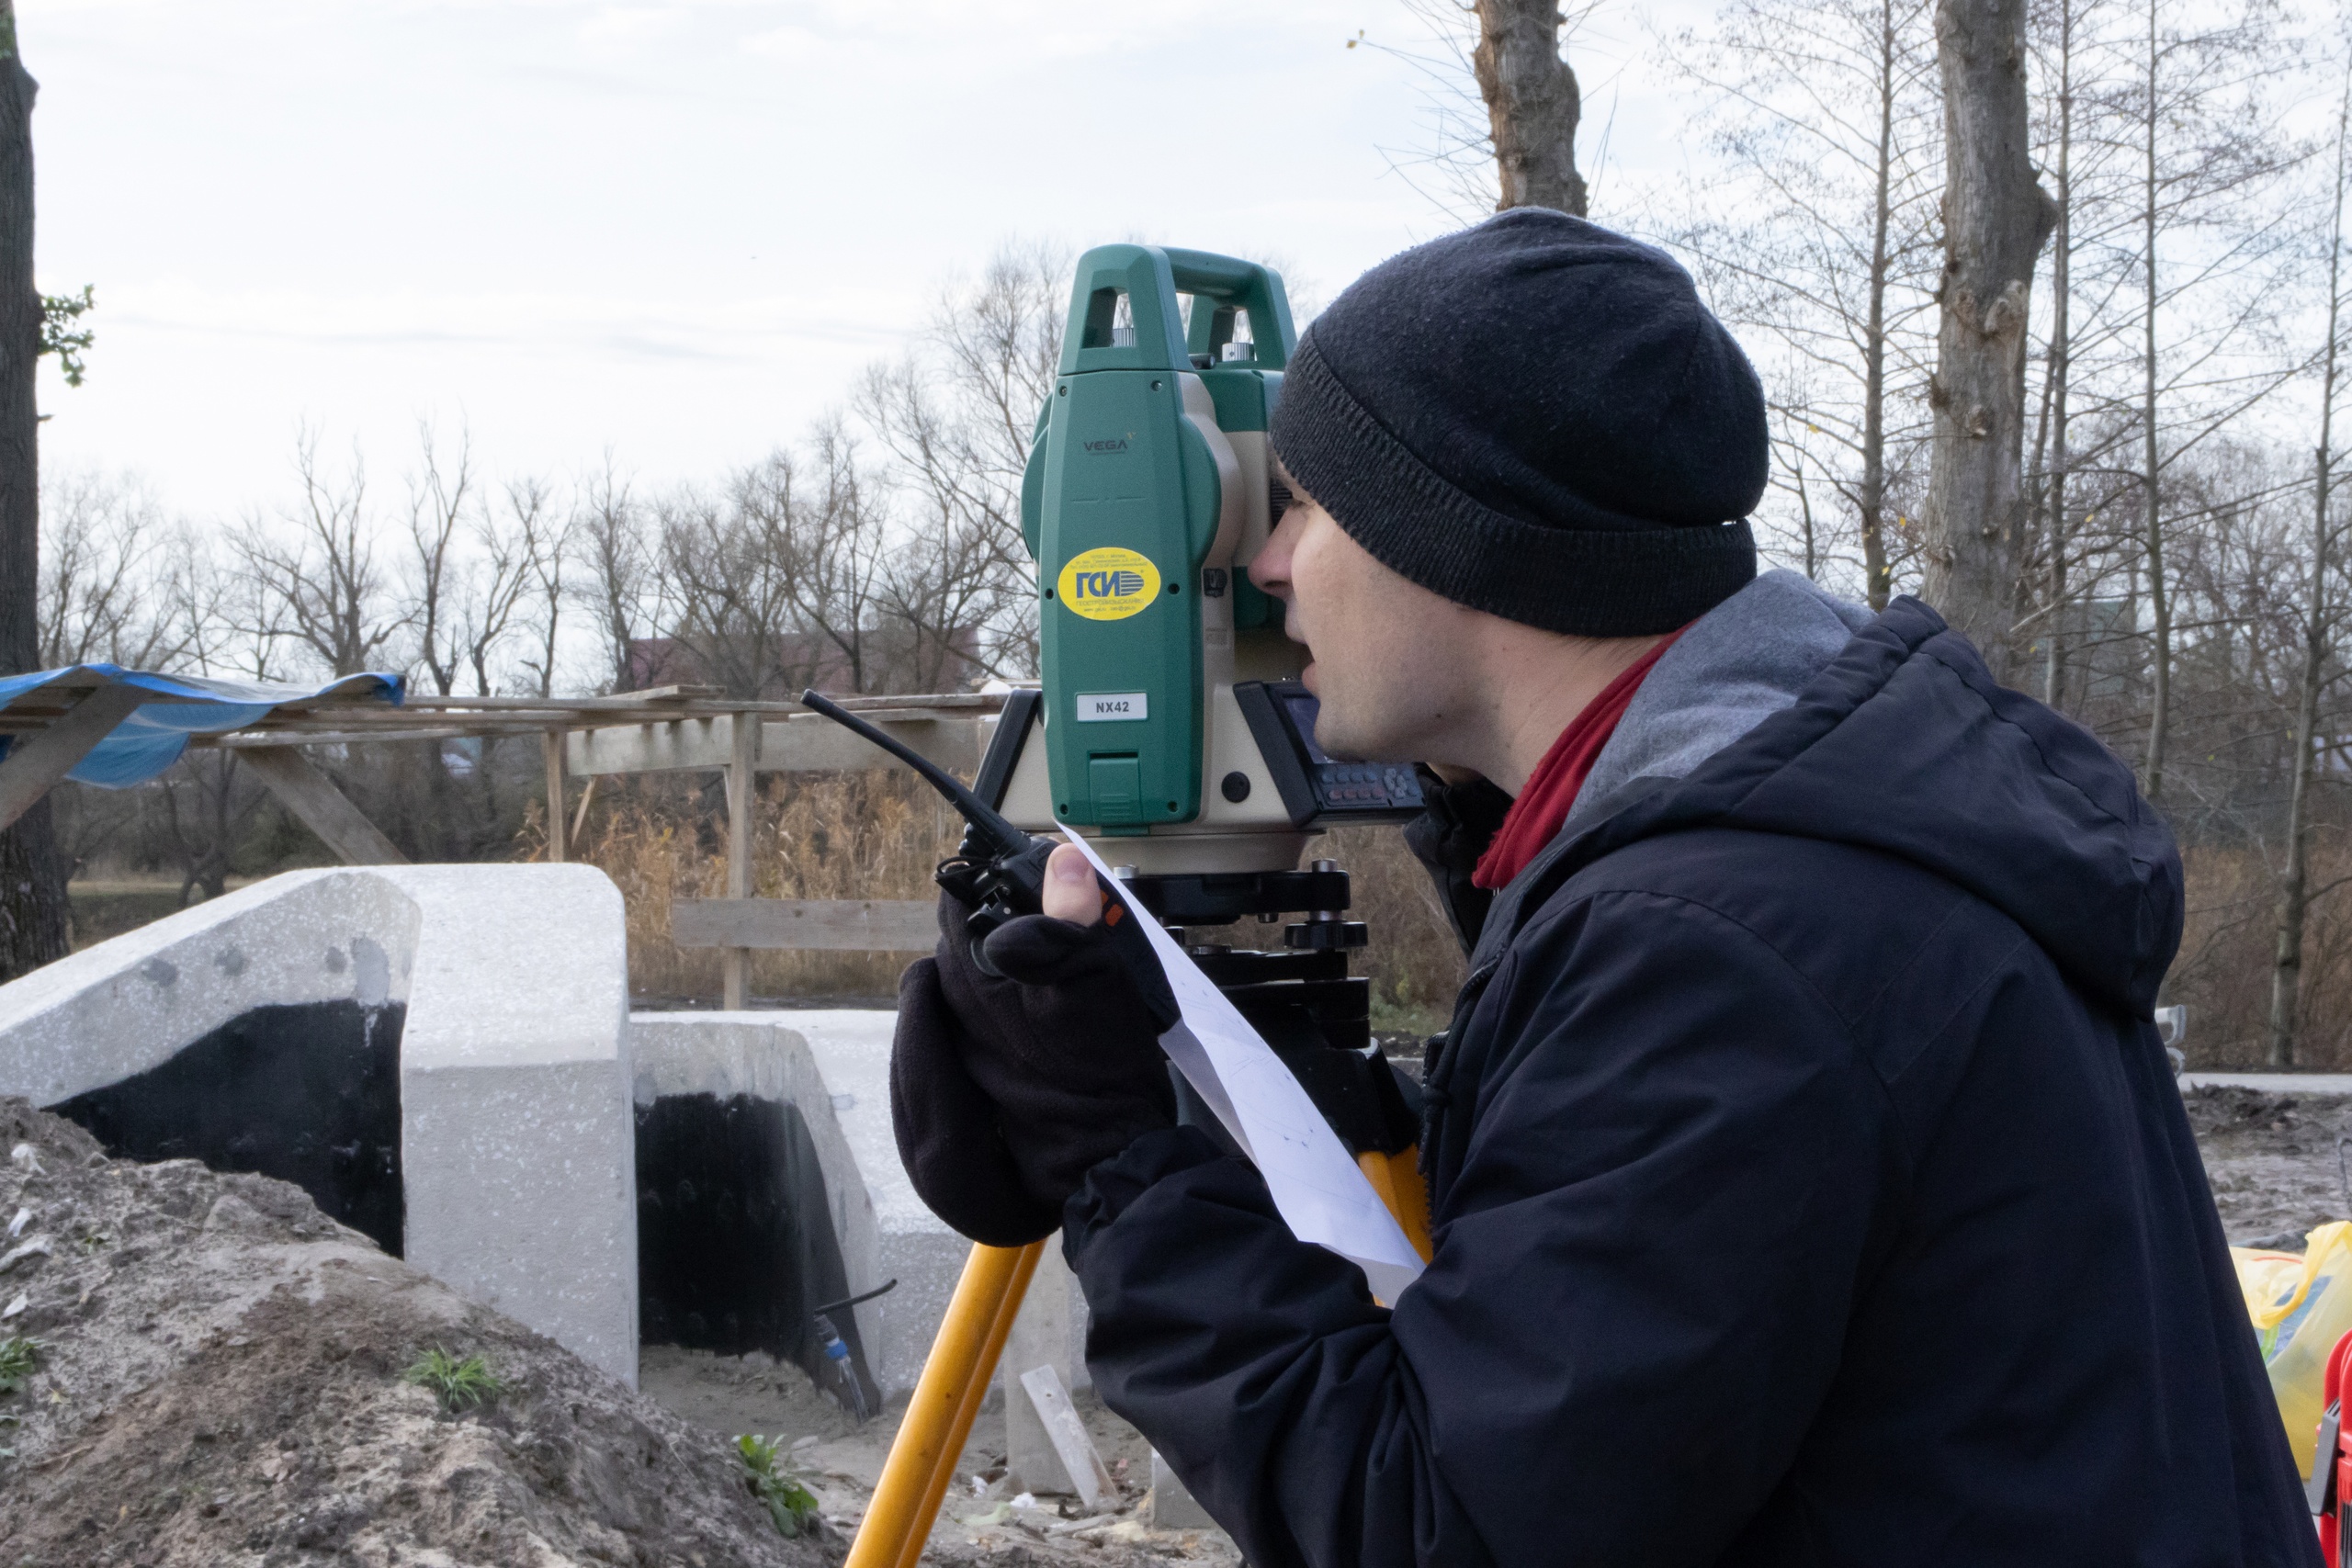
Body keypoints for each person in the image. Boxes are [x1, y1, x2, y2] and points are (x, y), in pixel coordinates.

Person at [889, 209, 2314, 1566]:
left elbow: (1438, 1530)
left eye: (1305, 505)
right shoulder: (1817, 825)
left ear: (1451, 537)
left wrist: (1117, 1156)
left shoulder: (1726, 946)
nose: (1264, 567)